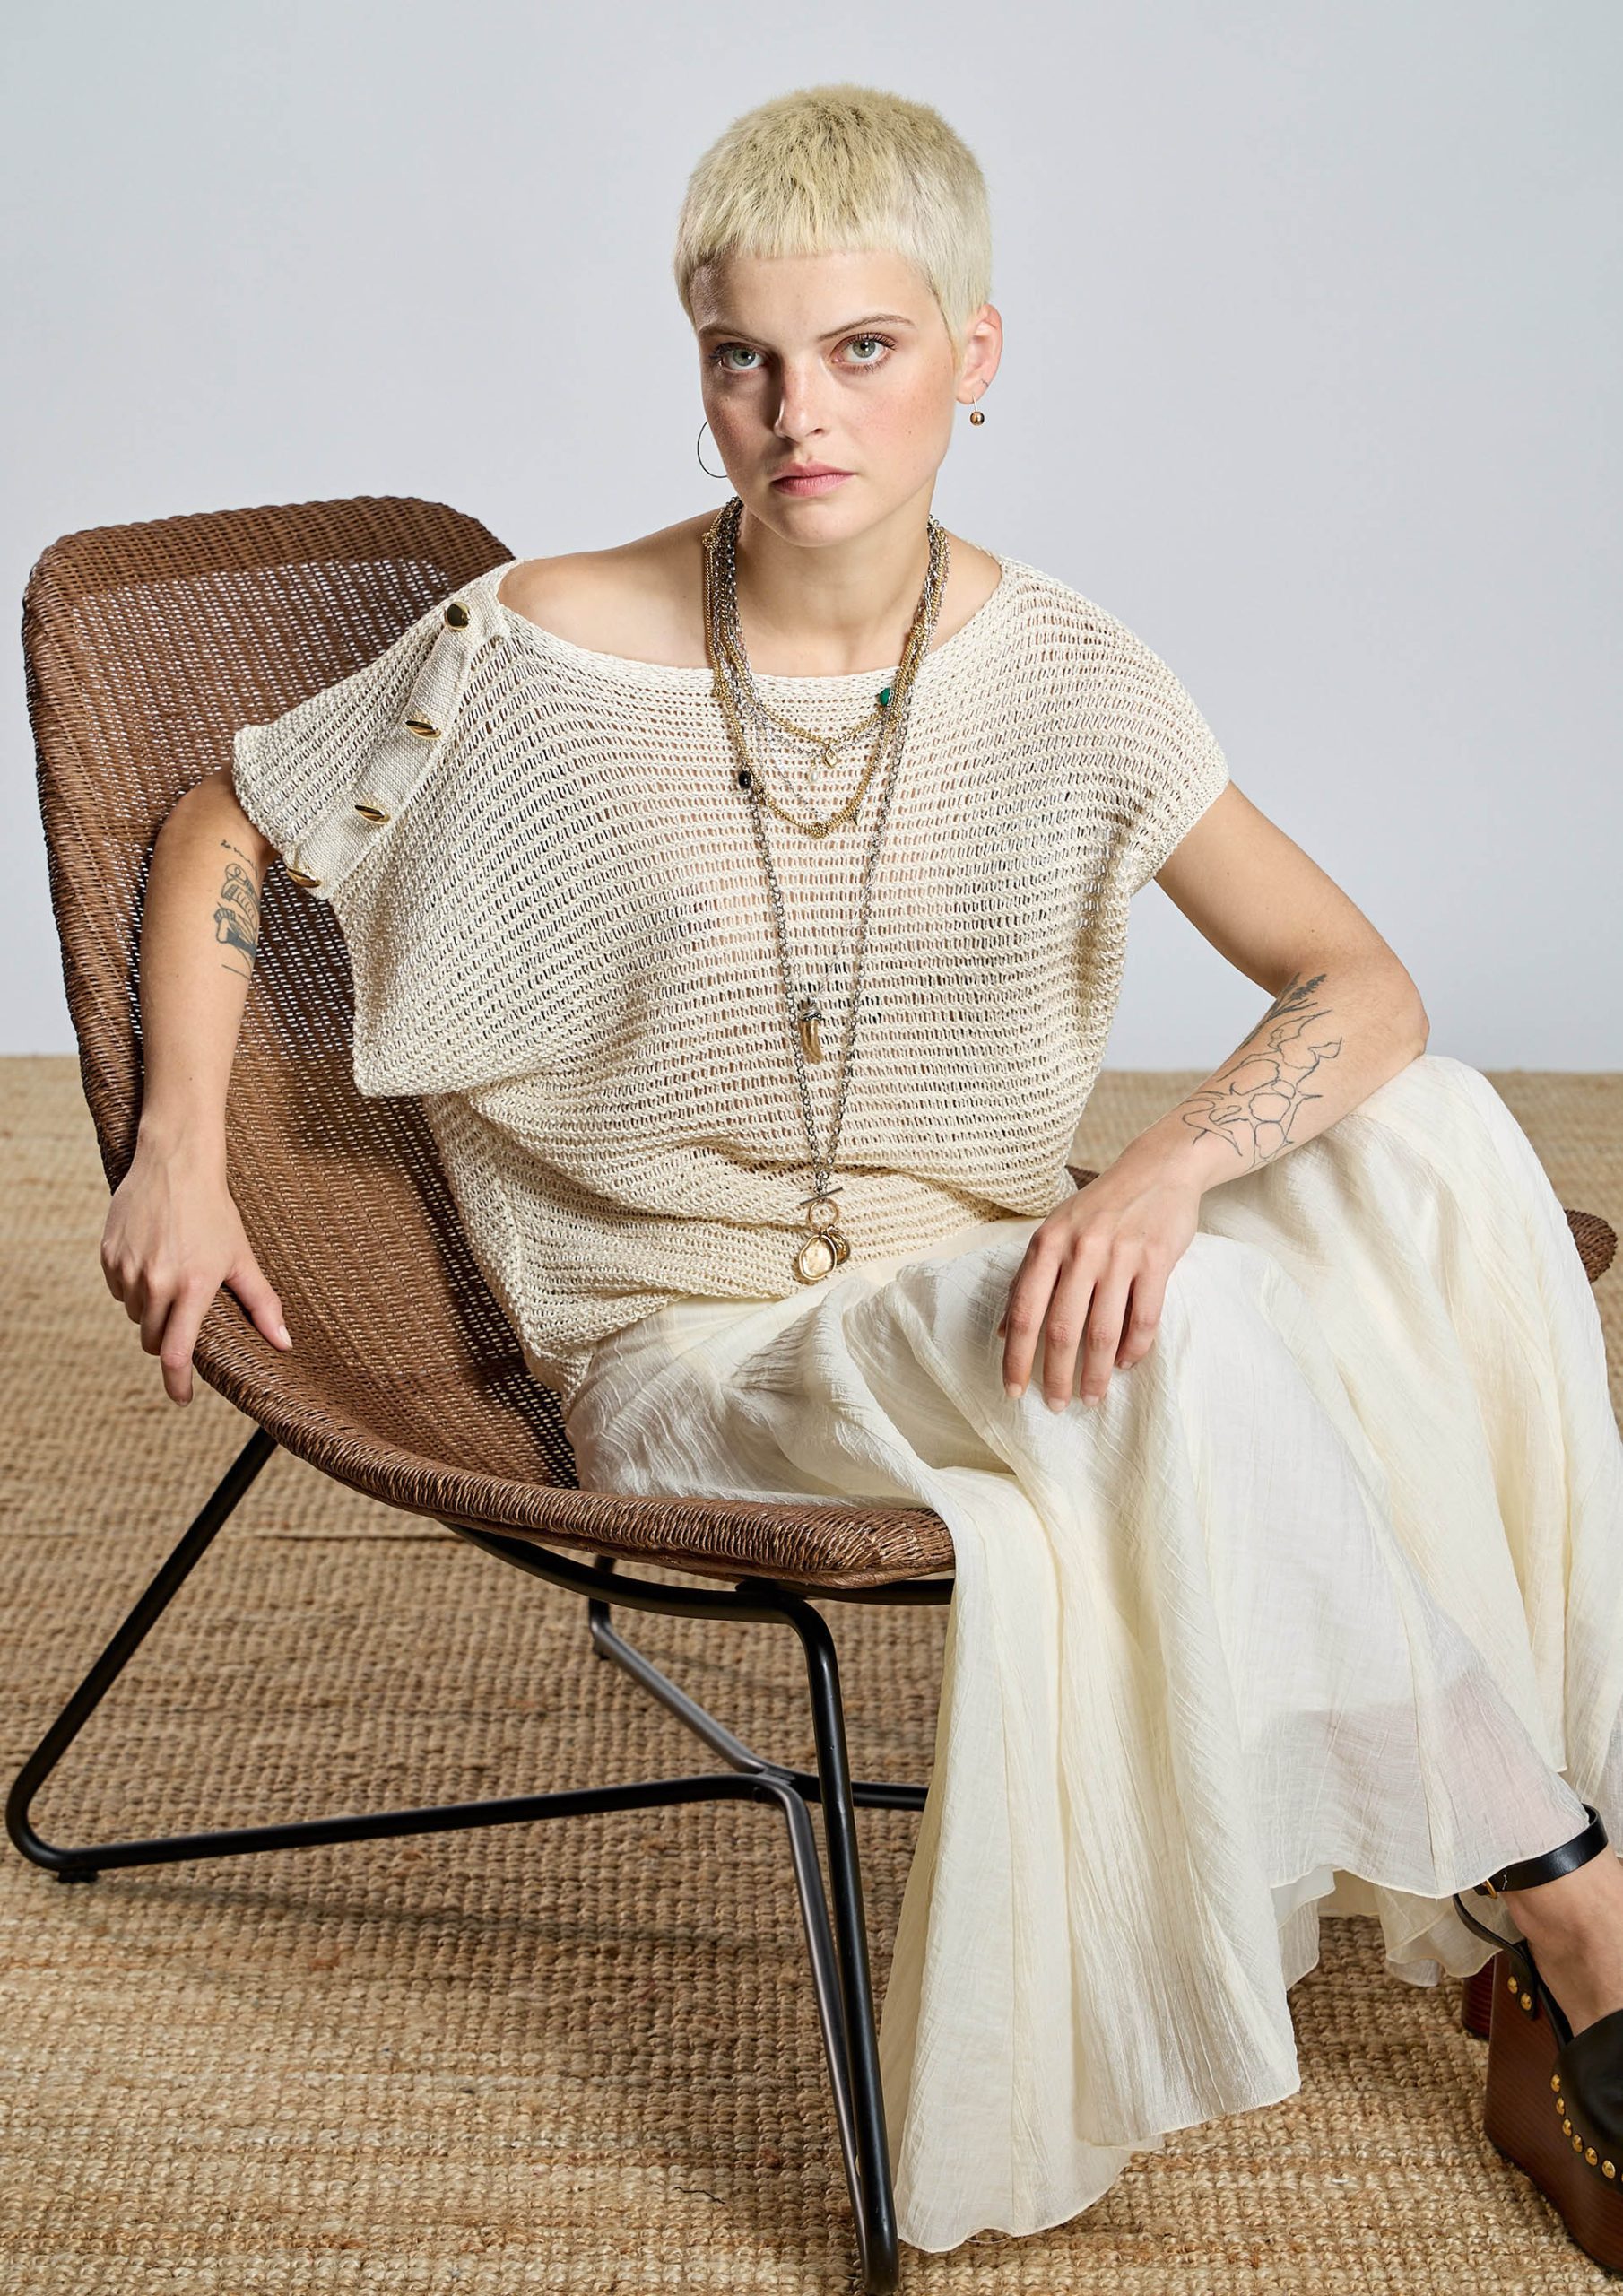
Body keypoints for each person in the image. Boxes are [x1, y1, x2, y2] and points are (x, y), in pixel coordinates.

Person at [101, 81, 1623, 2265]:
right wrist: (179, 1146)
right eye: (742, 355)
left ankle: (1498, 1834)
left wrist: (1158, 1167)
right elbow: (228, 819)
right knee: (1187, 1318)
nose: (794, 412)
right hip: (694, 1357)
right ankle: (1571, 1917)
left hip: (975, 1280)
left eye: (861, 349)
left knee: (1439, 1131)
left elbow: (1356, 981)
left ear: (973, 354)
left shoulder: (1067, 672)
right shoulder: (538, 642)